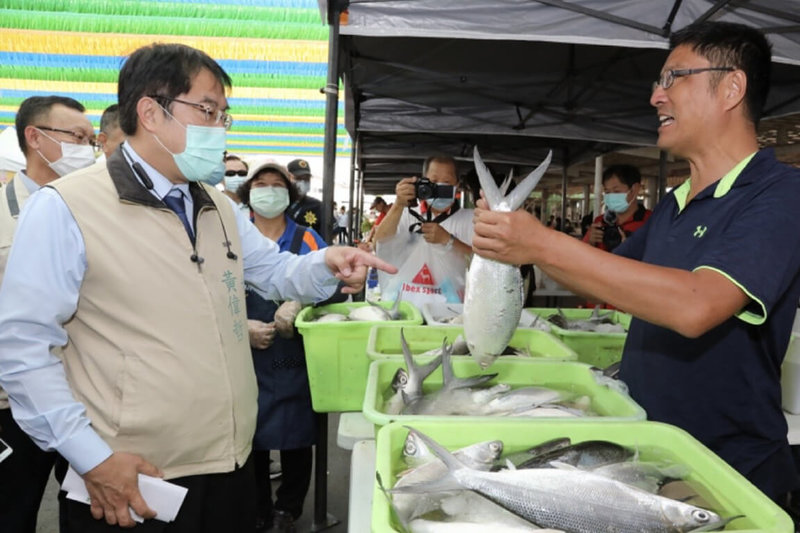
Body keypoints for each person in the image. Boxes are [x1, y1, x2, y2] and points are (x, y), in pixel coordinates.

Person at [0, 43, 394, 532]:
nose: (219, 127)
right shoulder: (68, 207)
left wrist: (327, 263)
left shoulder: (217, 205)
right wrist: (91, 459)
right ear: (150, 111)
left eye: (224, 115)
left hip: (227, 463)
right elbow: (22, 347)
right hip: (135, 478)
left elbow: (275, 271)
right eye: (207, 110)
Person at [472, 21, 800, 504]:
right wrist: (510, 242)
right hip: (650, 455)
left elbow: (698, 306)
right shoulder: (677, 202)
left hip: (728, 473)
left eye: (673, 79)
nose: (655, 98)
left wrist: (541, 244)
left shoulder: (782, 195)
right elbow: (605, 279)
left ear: (732, 87)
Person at [0, 94, 96, 533]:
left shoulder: (96, 214)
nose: (87, 149)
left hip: (87, 400)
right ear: (34, 138)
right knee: (12, 510)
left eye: (91, 140)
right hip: (12, 402)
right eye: (76, 137)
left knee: (88, 511)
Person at [235, 160, 326, 533]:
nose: (269, 190)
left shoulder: (306, 237)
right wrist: (240, 327)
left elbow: (328, 281)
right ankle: (257, 510)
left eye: (277, 184)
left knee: (296, 435)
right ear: (249, 191)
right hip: (245, 354)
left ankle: (287, 510)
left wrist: (301, 303)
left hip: (292, 356)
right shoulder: (233, 237)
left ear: (289, 195)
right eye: (261, 183)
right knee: (249, 434)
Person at [373, 155, 473, 305]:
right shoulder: (406, 214)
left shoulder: (470, 220)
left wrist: (449, 240)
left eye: (446, 182)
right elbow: (379, 244)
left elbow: (481, 262)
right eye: (433, 182)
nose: (439, 186)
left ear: (457, 185)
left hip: (450, 309)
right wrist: (399, 204)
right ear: (422, 182)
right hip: (407, 305)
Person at [583, 164, 652, 252]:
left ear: (634, 189)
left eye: (616, 191)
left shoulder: (651, 222)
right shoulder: (600, 222)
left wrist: (630, 249)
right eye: (607, 192)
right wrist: (590, 242)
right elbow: (581, 258)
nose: (611, 196)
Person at [286, 158, 322, 234]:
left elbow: (332, 232)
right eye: (298, 178)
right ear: (288, 178)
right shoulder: (280, 203)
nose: (303, 182)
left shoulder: (317, 205)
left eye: (306, 179)